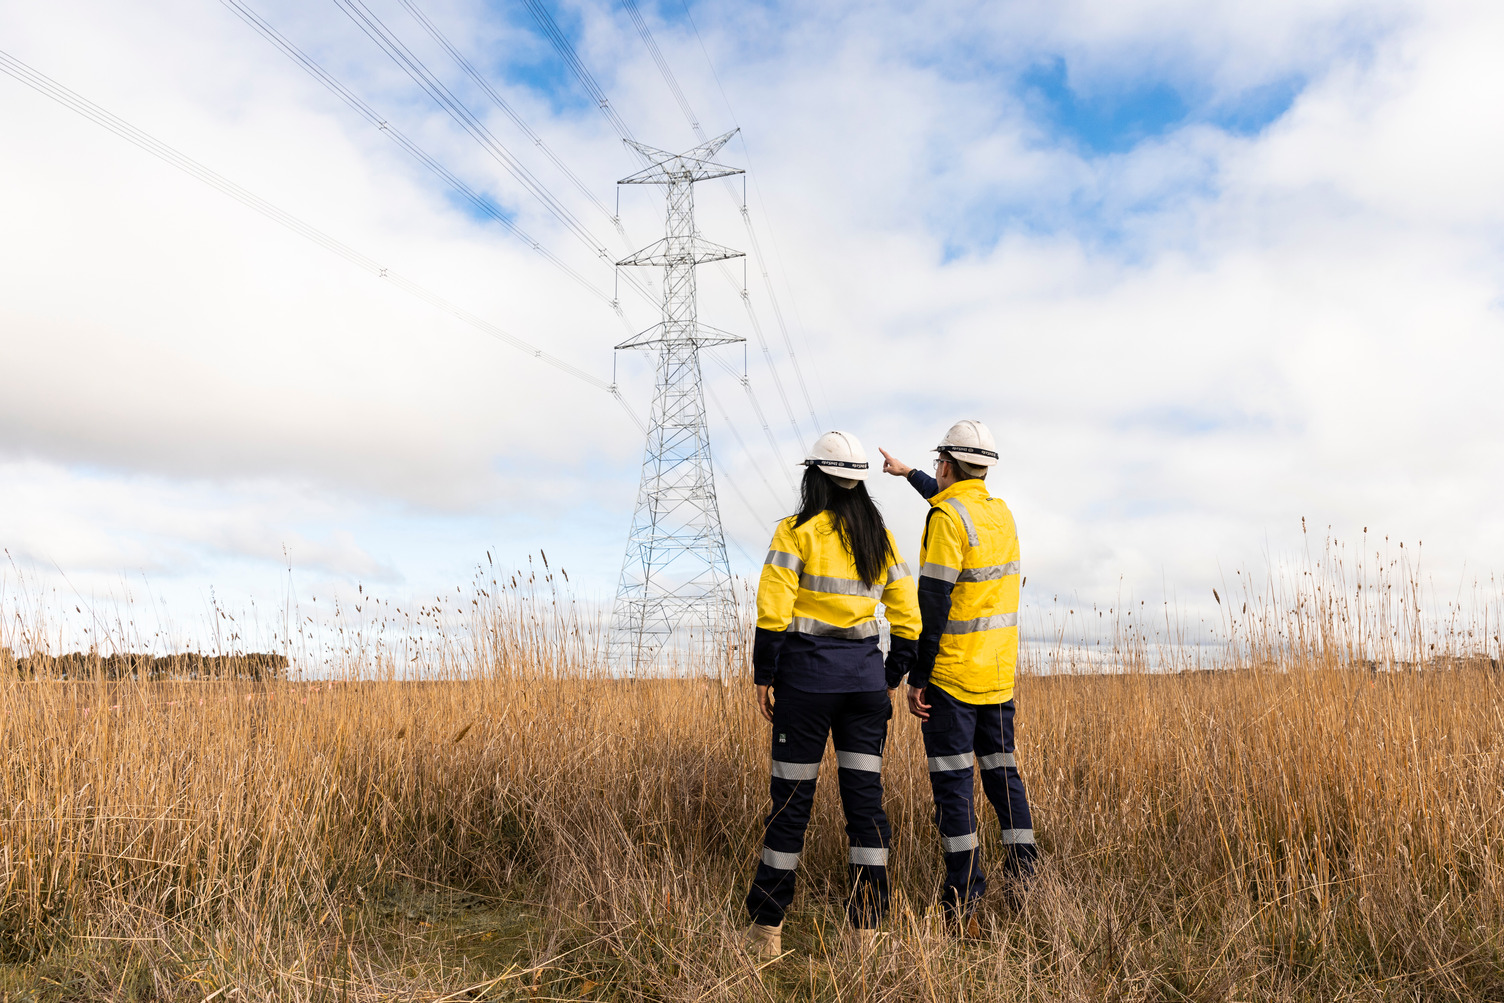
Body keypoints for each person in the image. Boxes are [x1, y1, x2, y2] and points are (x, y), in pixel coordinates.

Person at [745, 430, 921, 957]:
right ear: (859, 482)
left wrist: (763, 673)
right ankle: (865, 935)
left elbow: (773, 611)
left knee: (791, 806)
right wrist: (889, 677)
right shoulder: (879, 538)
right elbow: (908, 617)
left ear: (815, 476)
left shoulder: (795, 532)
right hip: (865, 688)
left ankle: (765, 934)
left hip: (805, 687)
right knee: (865, 809)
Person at [879, 419, 1037, 936]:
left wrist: (917, 677)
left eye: (936, 466)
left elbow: (933, 601)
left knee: (953, 788)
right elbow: (951, 500)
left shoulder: (947, 517)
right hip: (997, 676)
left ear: (948, 464)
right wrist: (908, 474)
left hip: (950, 679)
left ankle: (964, 904)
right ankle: (1028, 886)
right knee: (1003, 778)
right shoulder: (997, 513)